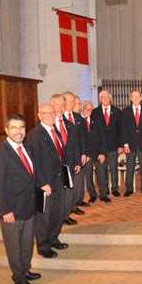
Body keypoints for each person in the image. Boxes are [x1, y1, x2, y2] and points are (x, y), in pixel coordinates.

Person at [0, 114, 41, 284]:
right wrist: (5, 210)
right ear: (6, 130)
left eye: (22, 128)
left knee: (27, 243)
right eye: (14, 128)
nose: (19, 132)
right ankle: (18, 277)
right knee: (14, 246)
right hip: (11, 210)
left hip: (28, 206)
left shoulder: (26, 148)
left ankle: (25, 270)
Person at [25, 103, 68, 258]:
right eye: (47, 113)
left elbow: (59, 156)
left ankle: (53, 239)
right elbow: (33, 161)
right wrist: (42, 183)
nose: (51, 115)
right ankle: (43, 246)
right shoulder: (34, 134)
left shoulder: (54, 130)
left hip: (57, 180)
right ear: (39, 115)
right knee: (43, 216)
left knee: (57, 212)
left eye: (52, 112)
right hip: (44, 183)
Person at [51, 94, 81, 226]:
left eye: (63, 105)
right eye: (57, 104)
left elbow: (75, 145)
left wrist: (77, 162)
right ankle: (56, 217)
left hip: (68, 165)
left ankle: (65, 215)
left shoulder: (69, 125)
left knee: (68, 191)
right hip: (53, 167)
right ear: (52, 105)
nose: (60, 108)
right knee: (57, 193)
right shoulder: (47, 125)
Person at [90, 90, 123, 202]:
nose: (105, 99)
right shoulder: (94, 112)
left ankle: (114, 189)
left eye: (107, 97)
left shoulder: (117, 111)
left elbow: (120, 130)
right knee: (101, 170)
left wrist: (120, 145)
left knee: (113, 168)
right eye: (103, 97)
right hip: (100, 148)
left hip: (114, 146)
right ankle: (104, 191)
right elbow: (94, 132)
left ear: (110, 98)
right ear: (100, 99)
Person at [121, 90, 142, 196]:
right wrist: (125, 144)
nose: (135, 98)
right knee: (130, 166)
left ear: (141, 98)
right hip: (130, 145)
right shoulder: (125, 112)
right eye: (133, 96)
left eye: (137, 96)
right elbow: (123, 129)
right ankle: (129, 188)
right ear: (130, 98)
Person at [62, 91, 88, 213]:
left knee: (77, 183)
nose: (72, 103)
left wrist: (83, 153)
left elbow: (82, 137)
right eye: (70, 101)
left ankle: (75, 204)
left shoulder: (77, 117)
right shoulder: (59, 118)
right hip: (64, 158)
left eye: (74, 101)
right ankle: (67, 208)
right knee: (67, 184)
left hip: (77, 155)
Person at [81, 101, 106, 203]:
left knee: (101, 173)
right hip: (86, 154)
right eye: (87, 109)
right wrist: (83, 154)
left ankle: (103, 194)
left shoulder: (97, 121)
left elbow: (103, 137)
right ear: (82, 108)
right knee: (88, 175)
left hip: (97, 153)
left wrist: (102, 152)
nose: (89, 111)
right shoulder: (79, 121)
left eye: (91, 109)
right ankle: (92, 194)